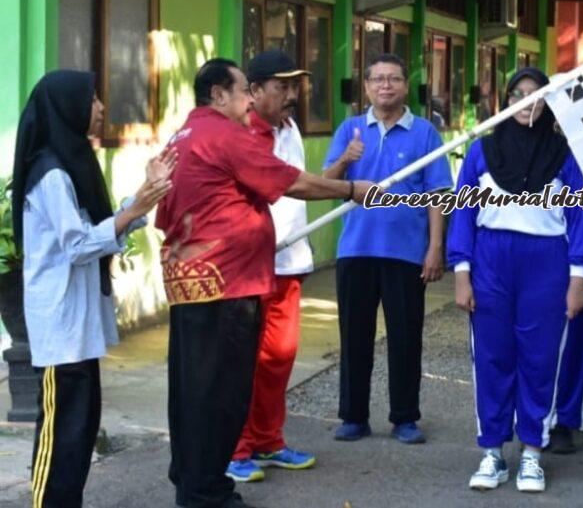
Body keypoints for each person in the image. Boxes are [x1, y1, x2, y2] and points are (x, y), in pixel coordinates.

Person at [158, 58, 371, 508]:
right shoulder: (225, 135)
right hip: (225, 285)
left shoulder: (186, 134)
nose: (248, 100)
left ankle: (194, 479)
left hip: (198, 282)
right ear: (219, 94)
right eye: (242, 92)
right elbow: (289, 181)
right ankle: (207, 491)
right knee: (222, 392)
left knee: (195, 389)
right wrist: (351, 190)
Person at [12, 70, 174, 508]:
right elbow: (79, 244)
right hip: (60, 325)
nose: (101, 108)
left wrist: (143, 196)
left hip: (78, 325)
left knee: (80, 430)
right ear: (67, 106)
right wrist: (135, 208)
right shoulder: (50, 173)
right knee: (60, 435)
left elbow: (94, 228)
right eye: (93, 99)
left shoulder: (73, 161)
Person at [447, 67, 583, 492]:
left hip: (547, 264)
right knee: (492, 357)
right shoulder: (481, 152)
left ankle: (532, 451)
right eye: (520, 94)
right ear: (507, 100)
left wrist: (578, 278)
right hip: (491, 261)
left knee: (540, 358)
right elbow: (463, 215)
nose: (528, 102)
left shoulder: (565, 156)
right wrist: (462, 272)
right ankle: (492, 452)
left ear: (548, 103)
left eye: (537, 95)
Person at [324, 53, 453, 445]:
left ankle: (404, 418)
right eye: (377, 79)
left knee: (405, 337)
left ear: (404, 87)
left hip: (406, 253)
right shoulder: (350, 129)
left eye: (394, 79)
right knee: (355, 336)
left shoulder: (426, 134)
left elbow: (437, 195)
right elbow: (322, 182)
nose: (385, 86)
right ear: (365, 87)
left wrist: (435, 248)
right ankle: (353, 417)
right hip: (356, 250)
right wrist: (346, 159)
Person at [226, 50, 319, 483]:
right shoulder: (241, 134)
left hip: (289, 262)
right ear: (255, 90)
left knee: (278, 358)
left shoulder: (290, 128)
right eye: (281, 86)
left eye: (294, 85)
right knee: (242, 361)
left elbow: (299, 188)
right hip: (251, 266)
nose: (290, 94)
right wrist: (350, 187)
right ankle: (236, 448)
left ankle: (268, 440)